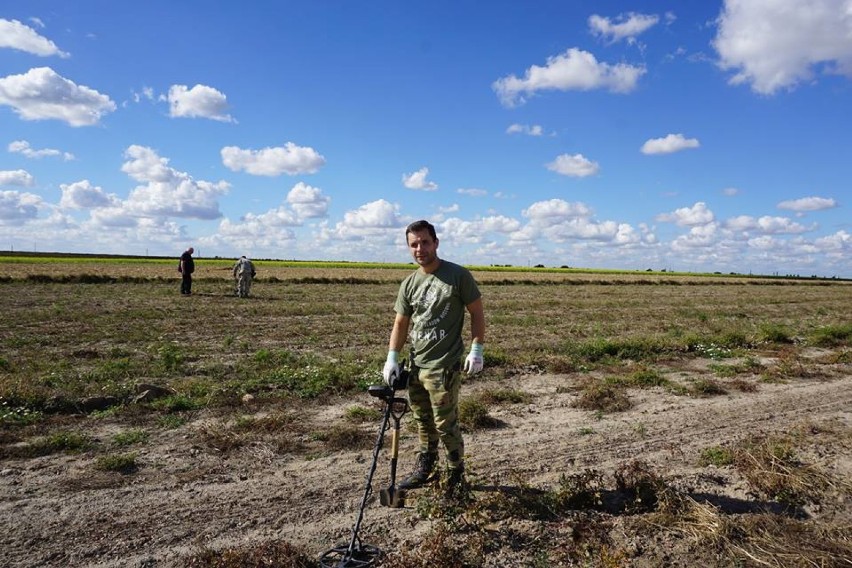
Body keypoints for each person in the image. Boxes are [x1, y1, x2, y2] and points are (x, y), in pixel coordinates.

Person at [382, 219, 485, 499]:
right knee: (422, 421)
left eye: (425, 242)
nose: (420, 249)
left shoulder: (457, 276)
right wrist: (392, 357)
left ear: (436, 243)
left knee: (445, 423)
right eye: (413, 244)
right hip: (416, 365)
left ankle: (455, 476)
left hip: (444, 366)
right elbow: (401, 324)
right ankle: (426, 467)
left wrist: (477, 348)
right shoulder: (409, 284)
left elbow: (476, 312)